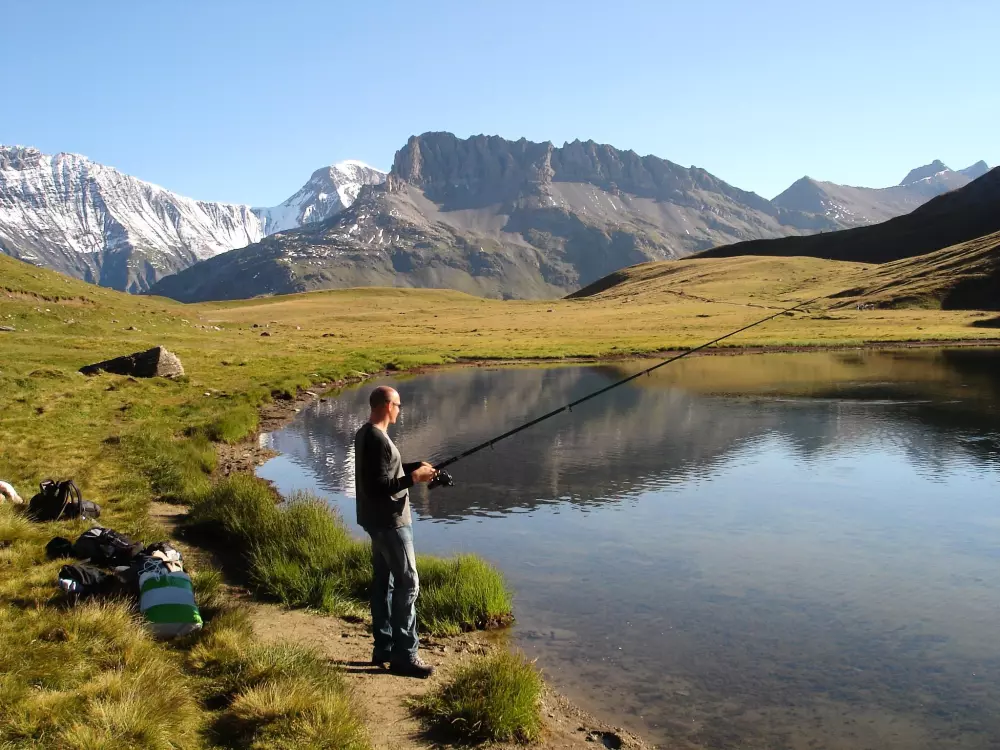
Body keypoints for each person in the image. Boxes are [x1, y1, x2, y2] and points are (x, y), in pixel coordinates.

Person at [354, 385, 438, 678]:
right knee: (409, 584)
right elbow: (379, 486)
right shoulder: (377, 438)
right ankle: (406, 655)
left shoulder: (365, 433)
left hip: (374, 520)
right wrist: (414, 478)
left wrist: (418, 467)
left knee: (383, 584)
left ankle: (384, 648)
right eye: (398, 405)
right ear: (387, 405)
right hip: (391, 522)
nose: (400, 410)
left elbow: (385, 471)